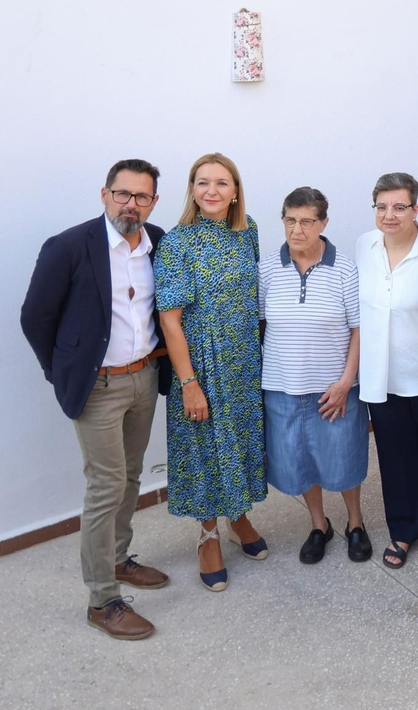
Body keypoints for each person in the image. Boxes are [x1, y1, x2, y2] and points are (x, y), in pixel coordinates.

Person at [21, 159, 171, 640]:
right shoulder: (69, 247)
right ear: (104, 194)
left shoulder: (159, 243)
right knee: (105, 487)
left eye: (141, 196)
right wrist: (65, 373)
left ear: (153, 202)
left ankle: (120, 559)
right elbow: (35, 318)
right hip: (98, 388)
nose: (131, 204)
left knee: (130, 475)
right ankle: (102, 601)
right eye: (122, 194)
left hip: (144, 378)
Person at [153, 153, 266, 592]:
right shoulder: (177, 243)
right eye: (203, 183)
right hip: (201, 360)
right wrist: (189, 383)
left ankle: (238, 517)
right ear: (192, 190)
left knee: (237, 440)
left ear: (235, 190)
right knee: (204, 446)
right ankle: (208, 535)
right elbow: (170, 320)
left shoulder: (248, 231)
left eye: (222, 182)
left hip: (243, 359)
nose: (212, 191)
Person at [258, 187, 370, 566]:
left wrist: (345, 382)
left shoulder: (345, 270)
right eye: (290, 220)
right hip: (282, 388)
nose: (297, 229)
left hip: (335, 388)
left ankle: (355, 523)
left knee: (343, 458)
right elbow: (258, 324)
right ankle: (319, 525)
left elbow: (359, 330)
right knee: (299, 462)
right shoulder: (268, 268)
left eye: (307, 221)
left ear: (324, 222)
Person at [356, 172, 418, 570]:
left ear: (416, 209)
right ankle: (404, 527)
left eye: (399, 207)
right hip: (382, 376)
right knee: (396, 459)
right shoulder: (366, 245)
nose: (390, 215)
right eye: (382, 207)